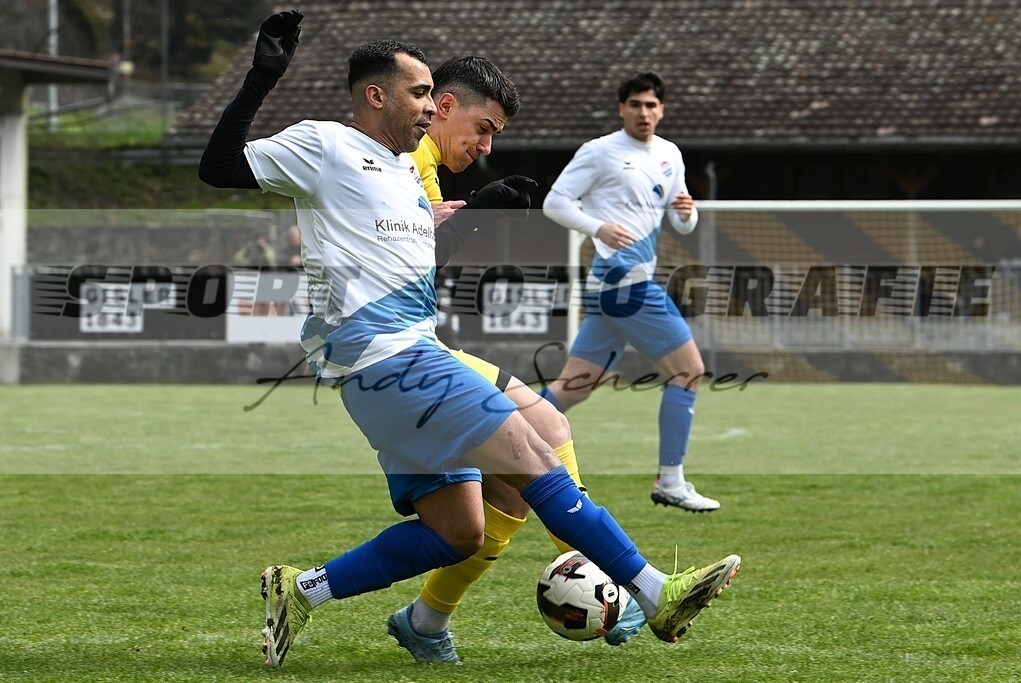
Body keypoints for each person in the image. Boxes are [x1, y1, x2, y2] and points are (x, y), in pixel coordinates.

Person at [199, 11, 740, 669]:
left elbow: (419, 259)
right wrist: (261, 78)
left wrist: (482, 207)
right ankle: (654, 591)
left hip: (395, 363)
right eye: (421, 93)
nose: (430, 107)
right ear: (378, 95)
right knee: (536, 450)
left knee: (461, 530)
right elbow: (219, 166)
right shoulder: (326, 145)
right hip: (389, 358)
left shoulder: (400, 173)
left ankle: (302, 588)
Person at [386, 55, 640, 662]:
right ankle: (617, 575)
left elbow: (423, 252)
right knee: (548, 429)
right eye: (484, 128)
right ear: (444, 107)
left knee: (503, 498)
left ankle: (422, 620)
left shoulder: (421, 167)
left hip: (415, 344)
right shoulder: (401, 162)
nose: (485, 145)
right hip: (394, 351)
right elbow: (406, 261)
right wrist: (471, 213)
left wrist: (463, 213)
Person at [541, 71, 720, 513]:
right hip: (623, 281)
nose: (644, 113)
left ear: (662, 110)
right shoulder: (599, 152)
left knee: (574, 387)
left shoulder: (669, 154)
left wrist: (687, 214)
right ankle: (671, 480)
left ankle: (496, 447)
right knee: (689, 371)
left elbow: (681, 220)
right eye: (636, 104)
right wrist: (596, 226)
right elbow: (555, 202)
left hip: (620, 284)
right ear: (622, 108)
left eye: (651, 105)